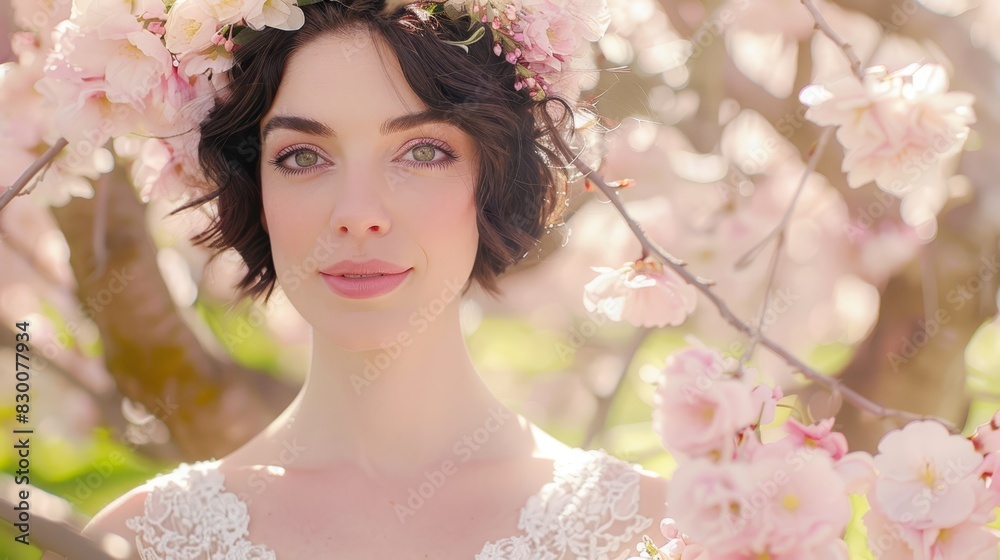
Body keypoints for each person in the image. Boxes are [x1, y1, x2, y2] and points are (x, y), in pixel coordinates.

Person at [43, 0, 669, 558]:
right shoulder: (144, 541)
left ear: (495, 178)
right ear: (254, 188)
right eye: (303, 157)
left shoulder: (654, 534)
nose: (357, 215)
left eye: (422, 151)